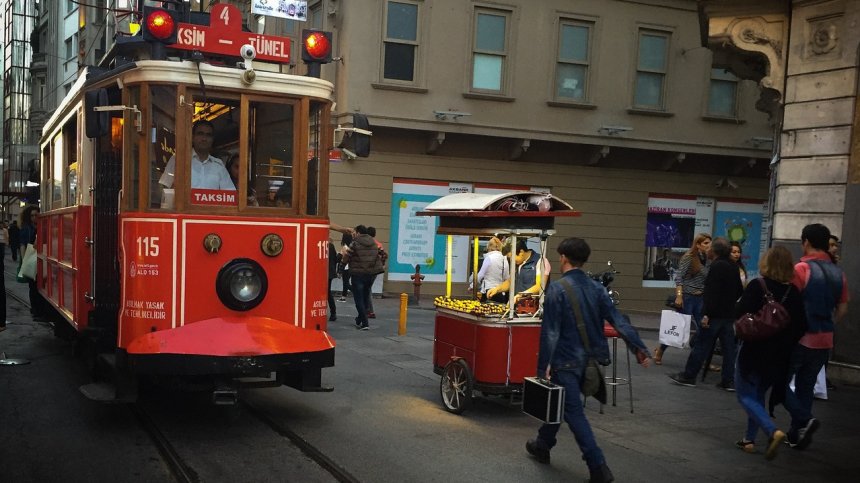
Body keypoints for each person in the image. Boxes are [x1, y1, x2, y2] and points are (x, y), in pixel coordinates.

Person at [525, 237, 651, 483]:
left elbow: (550, 333)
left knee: (574, 413)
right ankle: (542, 443)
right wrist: (638, 347)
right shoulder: (597, 289)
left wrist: (543, 367)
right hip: (590, 359)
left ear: (563, 257)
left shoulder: (557, 289)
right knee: (563, 403)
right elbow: (618, 319)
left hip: (565, 360)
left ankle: (598, 466)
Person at [733, 246, 806, 460]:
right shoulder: (793, 292)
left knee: (745, 395)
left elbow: (739, 312)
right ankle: (748, 439)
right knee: (758, 395)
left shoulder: (758, 285)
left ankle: (772, 431)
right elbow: (802, 326)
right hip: (779, 356)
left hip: (753, 350)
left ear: (766, 263)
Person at [783, 224, 848, 450]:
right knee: (806, 386)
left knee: (779, 382)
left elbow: (789, 304)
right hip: (825, 339)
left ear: (806, 242)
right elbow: (842, 308)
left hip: (800, 338)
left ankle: (804, 420)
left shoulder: (801, 269)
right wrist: (829, 324)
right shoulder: (838, 273)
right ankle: (796, 434)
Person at [668, 237, 743, 390]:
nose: (708, 250)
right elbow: (739, 290)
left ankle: (689, 376)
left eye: (710, 247)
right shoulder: (733, 266)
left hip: (714, 315)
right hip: (728, 315)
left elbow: (711, 293)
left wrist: (707, 314)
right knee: (729, 349)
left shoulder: (716, 266)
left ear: (715, 251)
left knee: (702, 345)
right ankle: (728, 380)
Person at [654, 233, 712, 365]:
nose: (709, 246)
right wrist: (679, 296)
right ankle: (660, 351)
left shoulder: (708, 259)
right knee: (678, 327)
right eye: (705, 243)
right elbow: (679, 278)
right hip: (687, 297)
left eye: (710, 243)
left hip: (700, 298)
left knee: (703, 329)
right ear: (698, 245)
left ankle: (701, 359)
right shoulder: (689, 257)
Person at [159, 120, 235, 191]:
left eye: (208, 135)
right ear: (192, 137)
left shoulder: (219, 166)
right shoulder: (178, 160)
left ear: (212, 139)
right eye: (200, 134)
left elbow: (229, 194)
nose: (204, 139)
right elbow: (165, 187)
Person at [343, 225, 386, 330]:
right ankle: (360, 319)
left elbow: (347, 256)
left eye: (354, 232)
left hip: (357, 274)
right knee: (365, 297)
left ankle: (365, 323)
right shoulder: (374, 243)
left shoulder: (355, 243)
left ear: (358, 233)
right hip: (370, 274)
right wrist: (380, 263)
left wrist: (341, 266)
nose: (353, 234)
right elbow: (384, 254)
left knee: (359, 299)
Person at [18, 205, 47, 318]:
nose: (34, 217)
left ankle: (40, 309)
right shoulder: (26, 228)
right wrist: (24, 261)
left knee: (41, 285)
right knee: (33, 286)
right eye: (32, 216)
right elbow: (22, 244)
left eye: (36, 215)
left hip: (42, 259)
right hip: (31, 259)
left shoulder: (43, 226)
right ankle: (35, 309)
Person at [477, 237, 509, 303]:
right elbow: (506, 277)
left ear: (489, 247)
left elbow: (481, 275)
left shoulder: (489, 258)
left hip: (488, 291)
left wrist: (472, 286)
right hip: (500, 291)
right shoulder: (504, 259)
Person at [364, 226, 384, 319]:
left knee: (367, 290)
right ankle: (368, 310)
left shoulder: (367, 243)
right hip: (375, 269)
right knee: (368, 289)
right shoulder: (378, 244)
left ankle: (369, 311)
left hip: (367, 269)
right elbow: (383, 256)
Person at [327, 239, 338, 322]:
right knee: (328, 292)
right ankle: (333, 312)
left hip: (323, 272)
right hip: (330, 272)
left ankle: (333, 312)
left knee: (327, 292)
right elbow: (335, 259)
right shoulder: (331, 246)